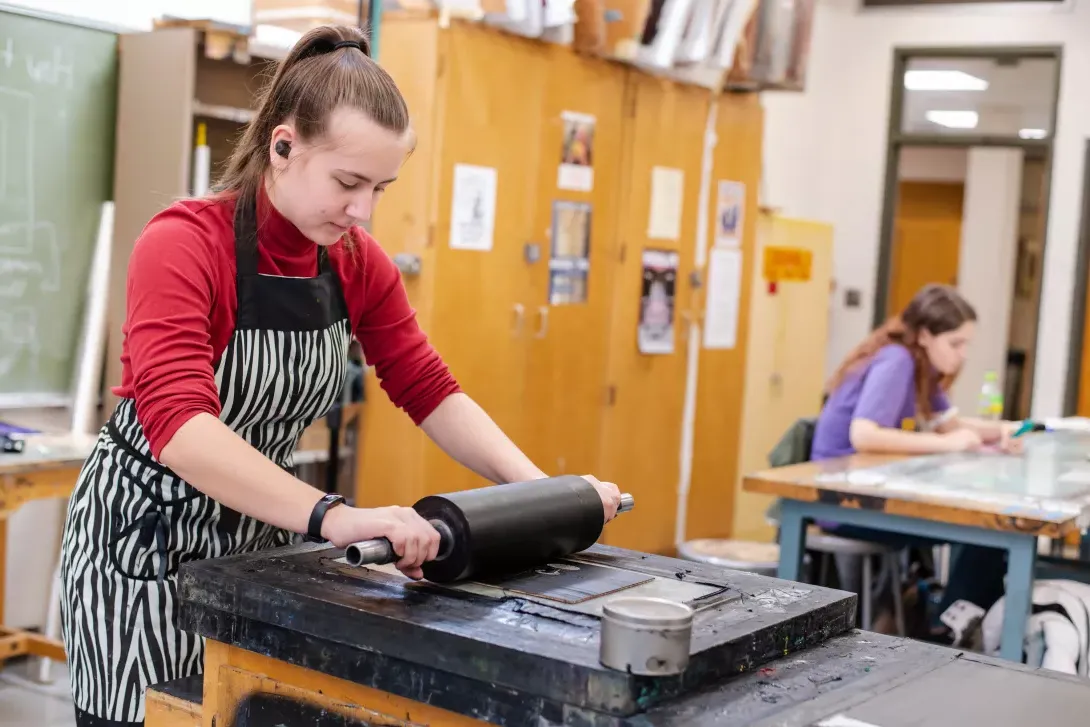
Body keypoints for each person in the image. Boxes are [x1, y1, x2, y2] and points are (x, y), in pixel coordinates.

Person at [58, 25, 621, 727]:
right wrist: (335, 515)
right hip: (144, 548)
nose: (364, 210)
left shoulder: (354, 261)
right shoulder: (182, 244)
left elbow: (427, 387)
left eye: (381, 187)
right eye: (348, 183)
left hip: (257, 545)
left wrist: (546, 494)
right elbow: (183, 429)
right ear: (283, 146)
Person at [810, 284, 1018, 637]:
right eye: (955, 343)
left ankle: (949, 623)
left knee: (989, 527)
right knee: (985, 527)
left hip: (873, 491)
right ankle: (945, 629)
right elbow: (864, 434)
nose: (963, 354)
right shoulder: (897, 360)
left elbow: (951, 425)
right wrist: (947, 444)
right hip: (844, 502)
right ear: (924, 335)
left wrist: (1002, 431)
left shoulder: (922, 367)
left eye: (966, 344)